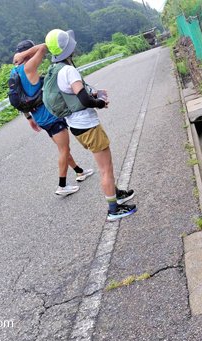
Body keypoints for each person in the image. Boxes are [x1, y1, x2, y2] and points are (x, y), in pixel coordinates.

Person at [44, 29, 136, 221]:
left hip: (76, 126)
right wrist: (99, 103)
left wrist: (93, 96)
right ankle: (113, 209)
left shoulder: (55, 70)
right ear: (68, 49)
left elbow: (74, 95)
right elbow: (84, 99)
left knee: (105, 166)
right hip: (87, 125)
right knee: (106, 168)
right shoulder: (69, 70)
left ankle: (116, 193)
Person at [12, 39, 94, 196]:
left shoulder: (14, 72)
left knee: (62, 148)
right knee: (64, 149)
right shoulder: (28, 67)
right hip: (50, 116)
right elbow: (43, 47)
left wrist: (29, 118)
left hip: (39, 117)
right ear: (30, 52)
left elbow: (20, 97)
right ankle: (62, 186)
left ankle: (79, 172)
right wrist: (23, 54)